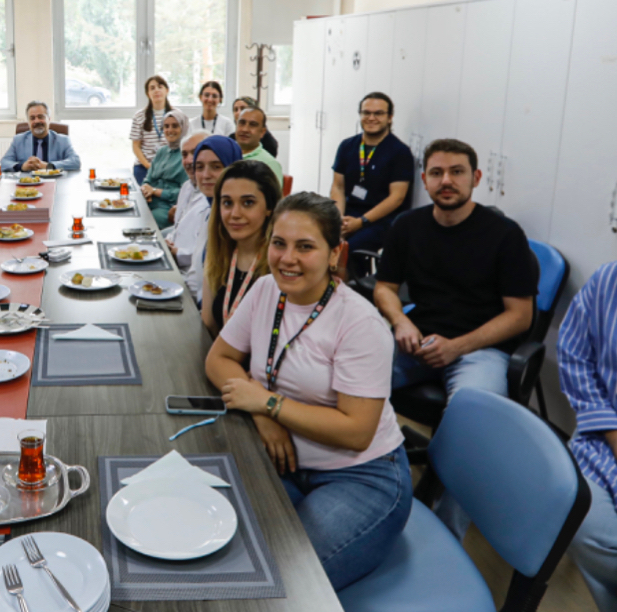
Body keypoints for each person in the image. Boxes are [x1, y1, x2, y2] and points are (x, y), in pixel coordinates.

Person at [207, 192, 411, 590]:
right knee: (211, 539)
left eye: (305, 247)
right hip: (285, 461)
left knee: (278, 581)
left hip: (360, 476)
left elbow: (357, 431)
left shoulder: (360, 324)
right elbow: (218, 360)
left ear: (336, 253)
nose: (288, 258)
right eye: (279, 243)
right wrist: (263, 416)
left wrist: (268, 401)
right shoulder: (266, 290)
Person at [373, 138, 536, 538]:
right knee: (349, 377)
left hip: (479, 349)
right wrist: (400, 322)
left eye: (457, 172)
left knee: (474, 421)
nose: (447, 181)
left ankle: (443, 534)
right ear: (425, 180)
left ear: (476, 178)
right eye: (437, 173)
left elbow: (520, 316)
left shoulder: (504, 234)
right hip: (416, 338)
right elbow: (384, 288)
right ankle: (363, 486)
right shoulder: (407, 226)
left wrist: (458, 346)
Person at [559, 261, 617, 612]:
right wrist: (612, 432)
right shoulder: (608, 279)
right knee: (581, 523)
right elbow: (575, 355)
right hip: (603, 439)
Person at [200, 160, 282, 337]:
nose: (235, 214)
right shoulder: (217, 254)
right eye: (227, 203)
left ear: (269, 207)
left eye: (248, 203)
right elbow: (208, 322)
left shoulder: (281, 263)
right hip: (220, 357)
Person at [328, 92, 413, 254]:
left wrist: (361, 222)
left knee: (347, 250)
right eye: (366, 113)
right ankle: (325, 279)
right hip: (349, 213)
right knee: (321, 240)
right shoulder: (347, 146)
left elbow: (397, 198)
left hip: (381, 220)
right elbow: (338, 187)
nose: (371, 118)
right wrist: (338, 219)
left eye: (378, 113)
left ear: (390, 118)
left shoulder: (400, 152)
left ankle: (346, 280)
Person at [177, 135, 244, 305]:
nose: (206, 175)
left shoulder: (238, 221)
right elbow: (197, 276)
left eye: (216, 166)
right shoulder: (211, 213)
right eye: (199, 167)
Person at [141, 108, 191, 229]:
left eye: (175, 126)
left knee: (146, 223)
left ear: (183, 128)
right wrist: (146, 189)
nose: (170, 130)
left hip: (170, 207)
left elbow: (185, 192)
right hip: (150, 201)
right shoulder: (161, 151)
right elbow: (148, 178)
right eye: (166, 126)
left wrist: (156, 191)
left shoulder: (188, 155)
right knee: (131, 213)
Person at [0, 101, 81, 173]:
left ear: (49, 119)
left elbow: (76, 162)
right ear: (28, 122)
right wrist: (22, 166)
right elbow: (3, 163)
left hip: (54, 183)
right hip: (27, 185)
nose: (37, 121)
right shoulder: (18, 140)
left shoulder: (63, 140)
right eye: (32, 118)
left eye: (41, 117)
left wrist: (48, 166)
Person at [129, 76, 173, 184]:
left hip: (170, 168)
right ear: (148, 94)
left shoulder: (177, 115)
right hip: (144, 167)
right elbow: (136, 146)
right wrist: (148, 165)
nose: (156, 90)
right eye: (152, 88)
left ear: (166, 90)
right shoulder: (139, 116)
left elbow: (182, 145)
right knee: (144, 199)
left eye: (160, 87)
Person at [233, 106, 283, 185]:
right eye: (242, 123)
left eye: (252, 124)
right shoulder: (225, 154)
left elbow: (273, 196)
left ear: (262, 132)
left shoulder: (269, 164)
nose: (245, 129)